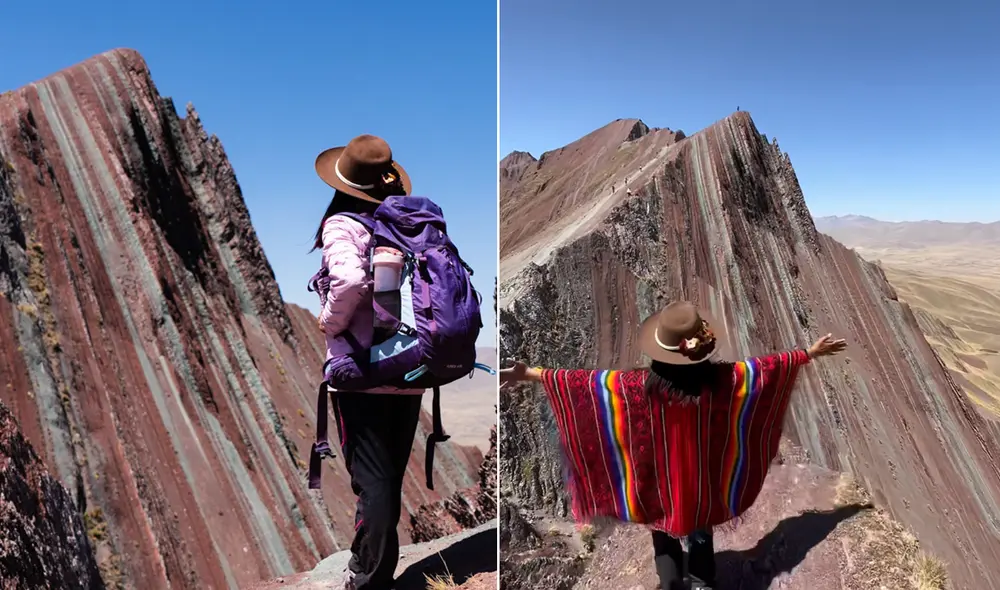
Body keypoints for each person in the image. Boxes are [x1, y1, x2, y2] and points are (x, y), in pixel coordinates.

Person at [500, 301, 846, 590]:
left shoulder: (634, 386)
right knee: (699, 531)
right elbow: (766, 370)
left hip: (655, 483)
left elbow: (584, 383)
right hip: (700, 485)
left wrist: (530, 373)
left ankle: (670, 584)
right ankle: (701, 583)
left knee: (662, 536)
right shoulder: (725, 381)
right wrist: (808, 353)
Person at [311, 134, 423, 590]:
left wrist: (329, 322)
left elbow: (350, 280)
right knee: (388, 477)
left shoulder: (342, 224)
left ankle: (370, 581)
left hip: (362, 373)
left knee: (372, 482)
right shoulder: (405, 223)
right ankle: (370, 564)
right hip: (411, 367)